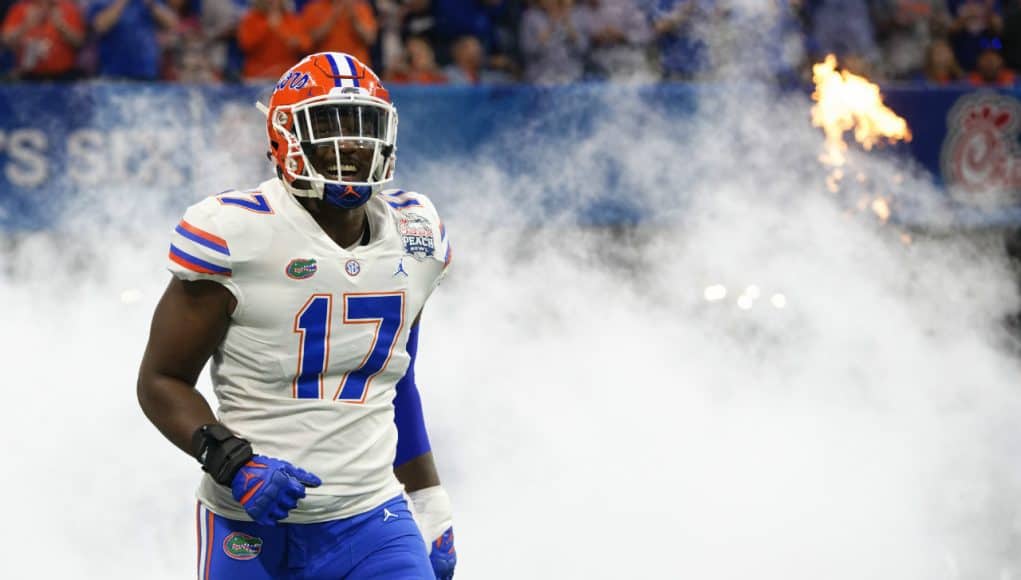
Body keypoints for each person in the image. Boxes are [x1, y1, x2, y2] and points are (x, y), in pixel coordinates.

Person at [137, 52, 457, 579]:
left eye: (363, 125)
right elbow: (161, 380)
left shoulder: (416, 233)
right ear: (286, 137)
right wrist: (234, 463)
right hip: (249, 523)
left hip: (372, 519)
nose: (351, 143)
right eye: (329, 124)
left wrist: (429, 499)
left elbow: (399, 380)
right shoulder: (236, 233)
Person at [88, 0, 178, 79]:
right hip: (113, 71)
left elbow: (171, 23)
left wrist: (152, 5)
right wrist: (121, 2)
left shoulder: (151, 2)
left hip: (146, 70)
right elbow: (100, 26)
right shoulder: (101, 2)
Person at [0, 0, 85, 80]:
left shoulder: (68, 9)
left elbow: (79, 43)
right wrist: (25, 25)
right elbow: (5, 41)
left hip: (63, 76)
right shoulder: (20, 9)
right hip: (29, 77)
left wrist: (60, 25)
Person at [236, 0, 310, 81]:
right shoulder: (250, 19)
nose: (271, 2)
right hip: (257, 77)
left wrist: (280, 28)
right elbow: (245, 45)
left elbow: (305, 45)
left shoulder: (291, 19)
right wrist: (267, 25)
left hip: (287, 76)